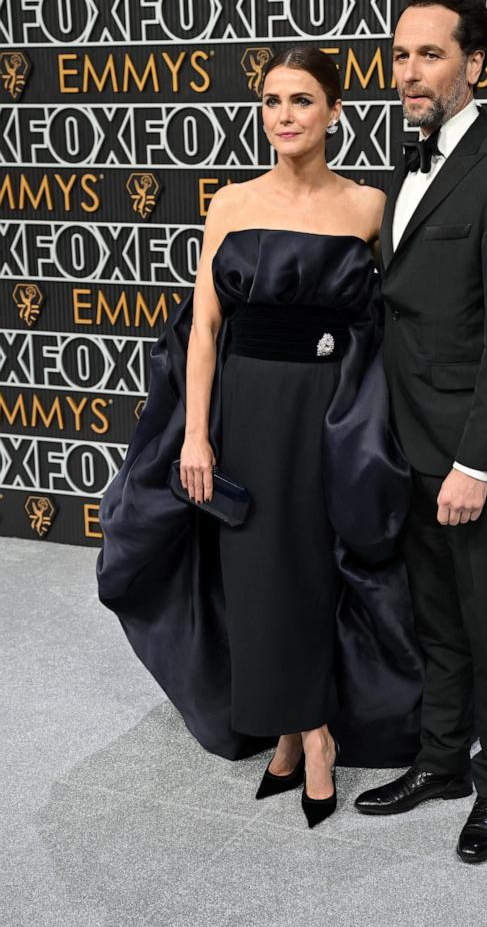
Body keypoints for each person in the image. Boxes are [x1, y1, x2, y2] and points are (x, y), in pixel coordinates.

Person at [96, 46, 423, 829]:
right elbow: (206, 327)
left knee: (309, 571)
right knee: (250, 573)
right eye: (273, 101)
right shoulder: (230, 203)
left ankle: (306, 735)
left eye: (302, 101)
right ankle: (298, 733)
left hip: (327, 415)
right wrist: (196, 436)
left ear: (335, 112)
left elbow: (389, 326)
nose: (284, 116)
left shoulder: (369, 208)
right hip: (242, 407)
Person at [354, 0, 487, 863]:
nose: (410, 70)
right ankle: (439, 759)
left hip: (477, 452)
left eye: (429, 53)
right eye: (400, 54)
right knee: (434, 619)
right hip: (410, 437)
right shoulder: (412, 155)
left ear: (475, 64)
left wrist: (478, 465)